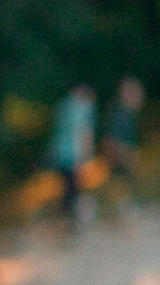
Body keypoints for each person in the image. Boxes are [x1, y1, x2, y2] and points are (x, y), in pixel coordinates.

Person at [49, 83, 97, 224]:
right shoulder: (83, 108)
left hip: (60, 155)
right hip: (74, 155)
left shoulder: (63, 106)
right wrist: (84, 158)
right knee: (76, 189)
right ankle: (77, 220)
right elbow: (83, 133)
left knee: (67, 189)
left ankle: (66, 218)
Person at [104, 75, 144, 219]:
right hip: (118, 156)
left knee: (122, 184)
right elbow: (114, 139)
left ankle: (119, 209)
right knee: (118, 183)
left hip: (121, 155)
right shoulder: (122, 114)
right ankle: (117, 210)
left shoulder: (127, 114)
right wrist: (125, 155)